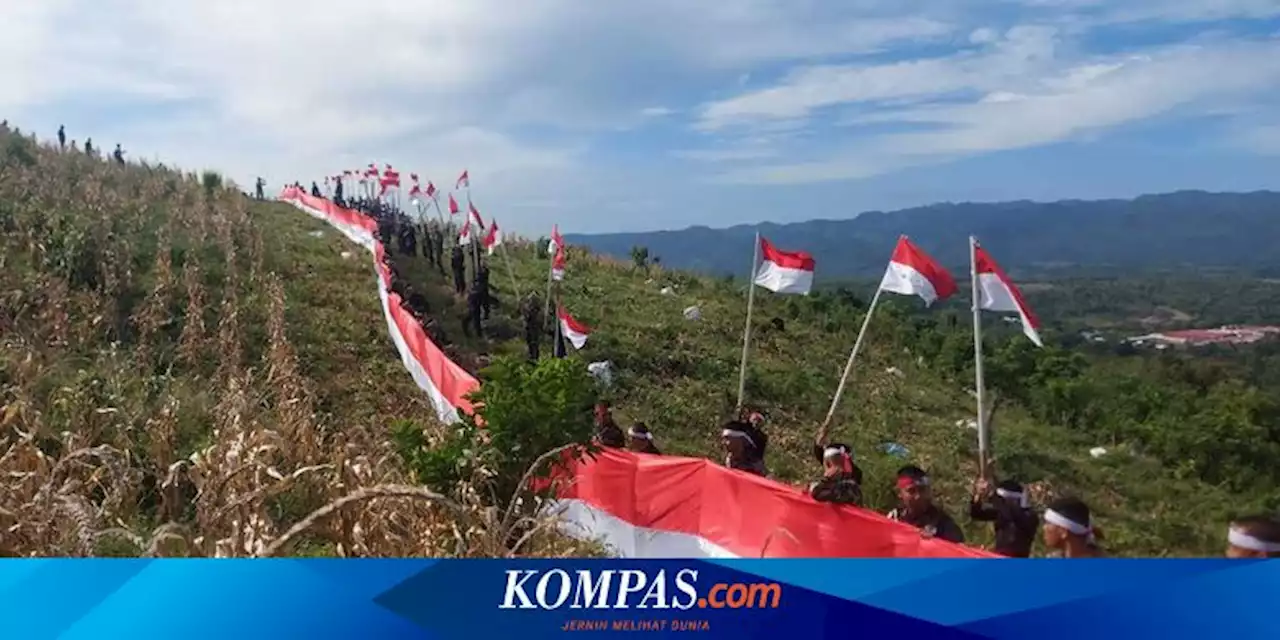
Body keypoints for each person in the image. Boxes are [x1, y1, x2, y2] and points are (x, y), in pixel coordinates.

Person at [888, 466, 964, 543]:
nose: (918, 496)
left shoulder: (944, 525)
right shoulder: (892, 519)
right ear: (899, 493)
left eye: (922, 490)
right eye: (911, 491)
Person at [970, 477, 1039, 557]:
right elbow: (977, 514)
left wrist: (993, 495)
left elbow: (1013, 515)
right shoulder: (1002, 512)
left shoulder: (1029, 516)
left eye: (1002, 499)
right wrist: (978, 495)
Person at [520, 294, 542, 361]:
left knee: (533, 344)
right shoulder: (531, 309)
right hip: (529, 329)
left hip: (533, 329)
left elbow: (529, 317)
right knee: (530, 343)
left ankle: (534, 358)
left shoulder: (535, 310)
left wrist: (523, 309)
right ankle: (532, 356)